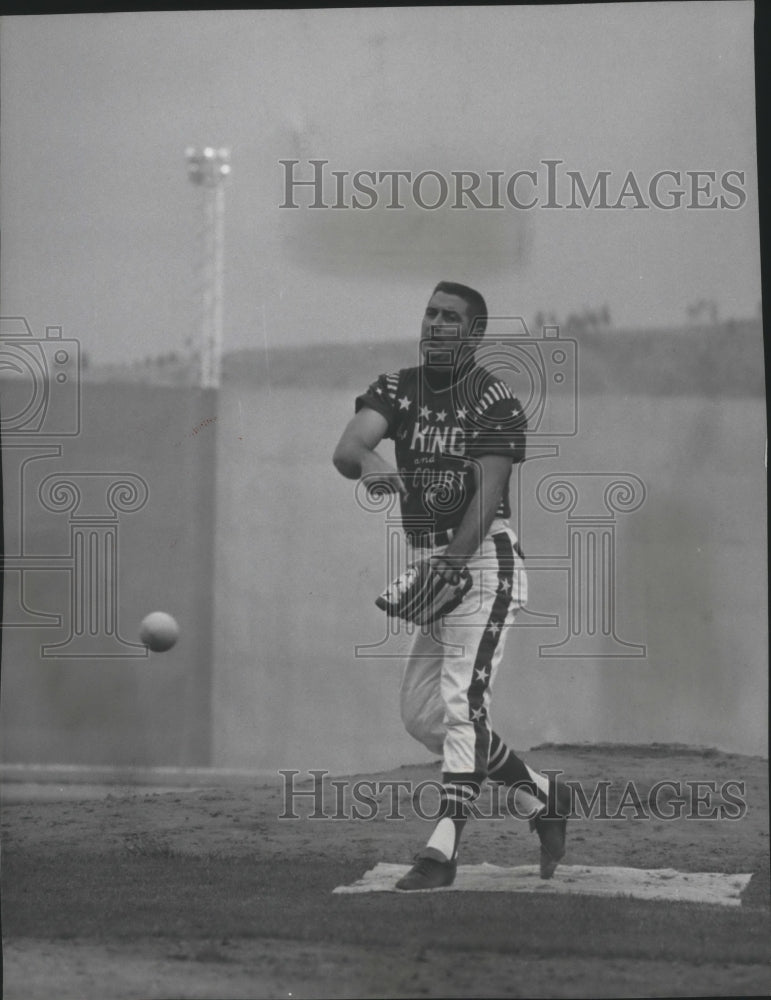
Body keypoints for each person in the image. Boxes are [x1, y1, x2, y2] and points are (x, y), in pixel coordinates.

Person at [332, 281, 570, 890]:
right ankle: (540, 796)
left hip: (483, 563)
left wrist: (454, 561)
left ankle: (441, 853)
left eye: (450, 317)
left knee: (463, 705)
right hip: (436, 563)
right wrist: (370, 461)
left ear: (473, 334)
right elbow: (349, 444)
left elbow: (488, 496)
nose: (435, 324)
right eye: (430, 313)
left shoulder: (492, 399)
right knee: (422, 715)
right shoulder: (399, 387)